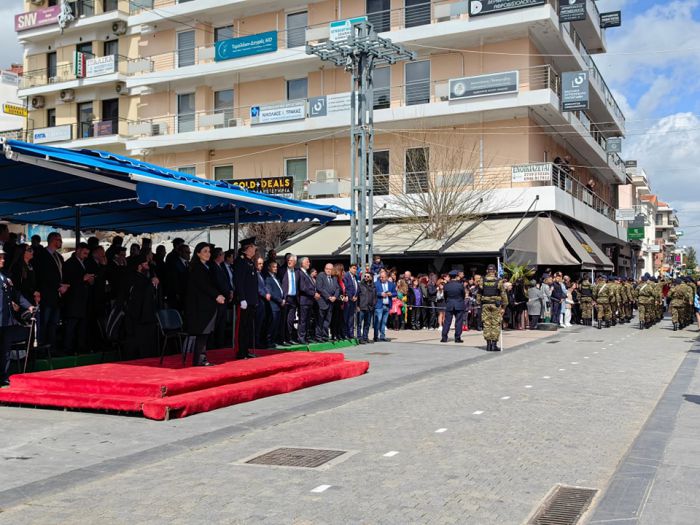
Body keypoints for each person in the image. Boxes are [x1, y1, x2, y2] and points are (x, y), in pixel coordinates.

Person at [185, 242, 225, 366]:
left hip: (206, 306)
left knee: (205, 334)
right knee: (202, 332)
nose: (208, 254)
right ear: (198, 253)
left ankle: (201, 358)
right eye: (205, 251)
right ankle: (199, 360)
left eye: (209, 251)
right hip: (199, 307)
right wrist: (216, 295)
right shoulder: (197, 268)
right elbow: (204, 286)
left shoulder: (206, 267)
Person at [0, 248, 35, 386]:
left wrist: (28, 306)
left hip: (6, 320)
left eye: (3, 257)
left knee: (5, 351)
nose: (3, 260)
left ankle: (3, 376)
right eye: (1, 257)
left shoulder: (5, 275)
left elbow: (16, 294)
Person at [33, 232, 66, 352]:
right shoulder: (41, 255)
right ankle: (42, 349)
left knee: (54, 323)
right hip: (46, 295)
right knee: (44, 323)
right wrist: (58, 285)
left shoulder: (59, 256)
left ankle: (52, 348)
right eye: (59, 239)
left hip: (57, 296)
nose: (61, 242)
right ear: (52, 240)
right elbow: (43, 275)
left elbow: (61, 274)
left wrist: (64, 285)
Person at [124, 255, 159, 360]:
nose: (147, 265)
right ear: (139, 266)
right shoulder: (134, 279)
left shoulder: (143, 278)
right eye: (145, 264)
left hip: (143, 318)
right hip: (138, 318)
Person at [62, 242, 94, 354]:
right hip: (73, 300)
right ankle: (68, 348)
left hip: (82, 300)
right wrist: (82, 279)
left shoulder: (84, 263)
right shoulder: (69, 263)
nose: (86, 256)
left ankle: (80, 347)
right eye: (84, 253)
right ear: (78, 250)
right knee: (71, 325)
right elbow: (67, 281)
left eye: (87, 254)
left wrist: (89, 280)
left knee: (82, 326)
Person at [233, 238, 258, 359]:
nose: (255, 249)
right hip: (244, 301)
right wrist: (242, 298)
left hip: (251, 300)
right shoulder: (241, 261)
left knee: (248, 326)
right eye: (253, 247)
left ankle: (246, 350)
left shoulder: (250, 261)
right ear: (247, 248)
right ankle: (240, 352)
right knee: (241, 327)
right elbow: (239, 281)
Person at [477, 264, 508, 351]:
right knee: (495, 324)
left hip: (485, 304)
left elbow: (479, 293)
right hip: (496, 305)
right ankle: (494, 344)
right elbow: (503, 294)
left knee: (486, 324)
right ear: (495, 271)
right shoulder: (499, 281)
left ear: (487, 271)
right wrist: (504, 306)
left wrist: (479, 302)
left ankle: (488, 345)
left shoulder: (482, 280)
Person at [209, 247, 233, 349]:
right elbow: (219, 283)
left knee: (221, 325)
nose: (223, 256)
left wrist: (230, 291)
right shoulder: (213, 267)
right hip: (218, 300)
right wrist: (227, 293)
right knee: (217, 325)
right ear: (218, 256)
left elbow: (226, 281)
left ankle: (220, 345)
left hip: (224, 299)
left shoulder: (221, 266)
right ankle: (214, 346)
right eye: (222, 254)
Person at [315, 263, 340, 342]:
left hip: (331, 303)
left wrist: (335, 297)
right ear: (325, 269)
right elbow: (319, 288)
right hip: (323, 302)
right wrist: (328, 297)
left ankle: (325, 336)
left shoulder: (334, 278)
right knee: (320, 320)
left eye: (330, 269)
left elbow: (337, 288)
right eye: (327, 269)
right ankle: (318, 337)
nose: (329, 270)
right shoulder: (321, 276)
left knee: (327, 320)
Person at [441, 270, 466, 343]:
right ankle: (457, 338)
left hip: (449, 304)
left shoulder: (446, 285)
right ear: (456, 276)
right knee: (458, 322)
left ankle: (444, 337)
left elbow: (445, 296)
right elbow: (463, 295)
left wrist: (448, 302)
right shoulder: (460, 285)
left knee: (447, 321)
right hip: (459, 304)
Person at [280, 254, 300, 344]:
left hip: (294, 299)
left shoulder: (297, 272)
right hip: (285, 298)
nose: (289, 262)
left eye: (291, 261)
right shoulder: (282, 271)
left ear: (295, 262)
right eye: (288, 260)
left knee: (290, 320)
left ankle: (289, 338)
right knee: (283, 320)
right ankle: (282, 339)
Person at [264, 260, 285, 348]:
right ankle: (268, 342)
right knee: (272, 324)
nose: (276, 268)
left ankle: (273, 341)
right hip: (273, 305)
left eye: (276, 267)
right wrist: (280, 300)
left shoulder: (276, 277)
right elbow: (271, 292)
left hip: (279, 305)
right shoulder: (268, 278)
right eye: (274, 267)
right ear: (269, 267)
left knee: (276, 324)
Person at [297, 257, 316, 344]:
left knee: (307, 320)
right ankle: (301, 337)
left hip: (309, 301)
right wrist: (313, 293)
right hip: (304, 301)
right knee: (303, 320)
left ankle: (306, 336)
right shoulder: (300, 273)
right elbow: (303, 287)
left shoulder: (307, 273)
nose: (309, 263)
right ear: (302, 263)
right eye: (307, 262)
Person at [373, 269, 396, 342]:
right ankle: (376, 337)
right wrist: (380, 294)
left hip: (387, 305)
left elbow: (395, 293)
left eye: (383, 277)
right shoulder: (376, 283)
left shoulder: (391, 284)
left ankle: (382, 336)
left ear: (386, 277)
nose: (381, 278)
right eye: (380, 277)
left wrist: (391, 294)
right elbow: (373, 293)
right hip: (379, 305)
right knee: (378, 321)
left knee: (384, 322)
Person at [255, 256, 270, 349]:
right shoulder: (255, 274)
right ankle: (255, 342)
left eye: (262, 264)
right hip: (258, 301)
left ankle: (259, 341)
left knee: (261, 323)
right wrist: (265, 294)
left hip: (262, 302)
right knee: (257, 323)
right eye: (259, 264)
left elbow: (264, 286)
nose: (261, 265)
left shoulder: (261, 274)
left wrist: (267, 292)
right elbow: (258, 288)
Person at [357, 271, 376, 344]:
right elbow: (358, 296)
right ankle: (359, 337)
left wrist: (373, 305)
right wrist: (357, 306)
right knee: (359, 323)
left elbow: (375, 297)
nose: (366, 278)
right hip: (362, 307)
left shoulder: (373, 286)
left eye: (368, 276)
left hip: (369, 307)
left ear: (371, 278)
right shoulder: (360, 285)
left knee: (367, 324)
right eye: (365, 276)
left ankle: (365, 337)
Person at [343, 263, 359, 339]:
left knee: (351, 318)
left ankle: (351, 334)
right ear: (349, 268)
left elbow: (357, 288)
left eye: (356, 268)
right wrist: (350, 297)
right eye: (353, 268)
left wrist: (356, 296)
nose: (355, 270)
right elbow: (345, 288)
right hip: (347, 301)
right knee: (346, 318)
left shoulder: (355, 277)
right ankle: (345, 334)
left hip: (353, 301)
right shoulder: (346, 276)